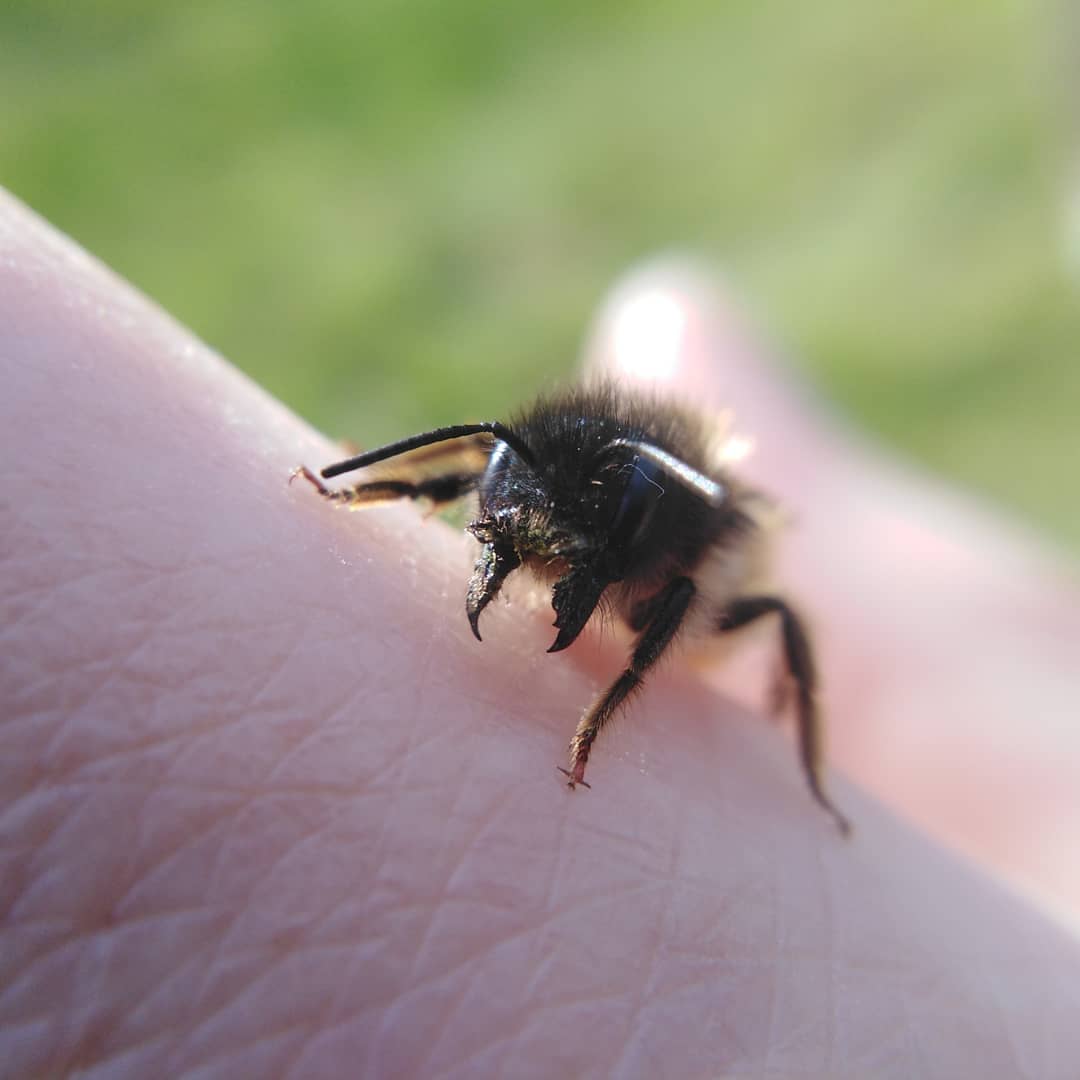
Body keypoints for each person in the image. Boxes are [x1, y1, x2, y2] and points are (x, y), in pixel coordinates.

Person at [3, 189, 1079, 1076]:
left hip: (697, 601)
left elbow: (712, 566)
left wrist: (601, 717)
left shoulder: (678, 526)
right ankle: (357, 494)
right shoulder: (558, 468)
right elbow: (491, 467)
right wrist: (363, 488)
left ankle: (785, 765)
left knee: (781, 614)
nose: (535, 545)